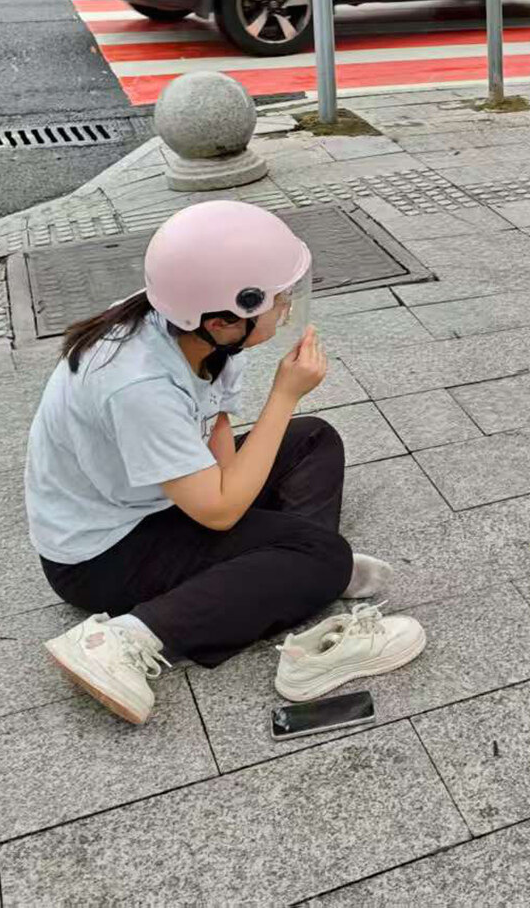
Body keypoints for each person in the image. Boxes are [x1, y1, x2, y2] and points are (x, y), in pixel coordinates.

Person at [26, 200, 424, 726]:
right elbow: (217, 513)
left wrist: (245, 512)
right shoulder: (138, 383)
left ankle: (290, 573)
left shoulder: (188, 325)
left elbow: (215, 422)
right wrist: (284, 395)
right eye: (279, 299)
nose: (286, 308)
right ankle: (122, 640)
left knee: (313, 441)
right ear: (224, 319)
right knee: (320, 551)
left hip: (160, 498)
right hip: (102, 554)